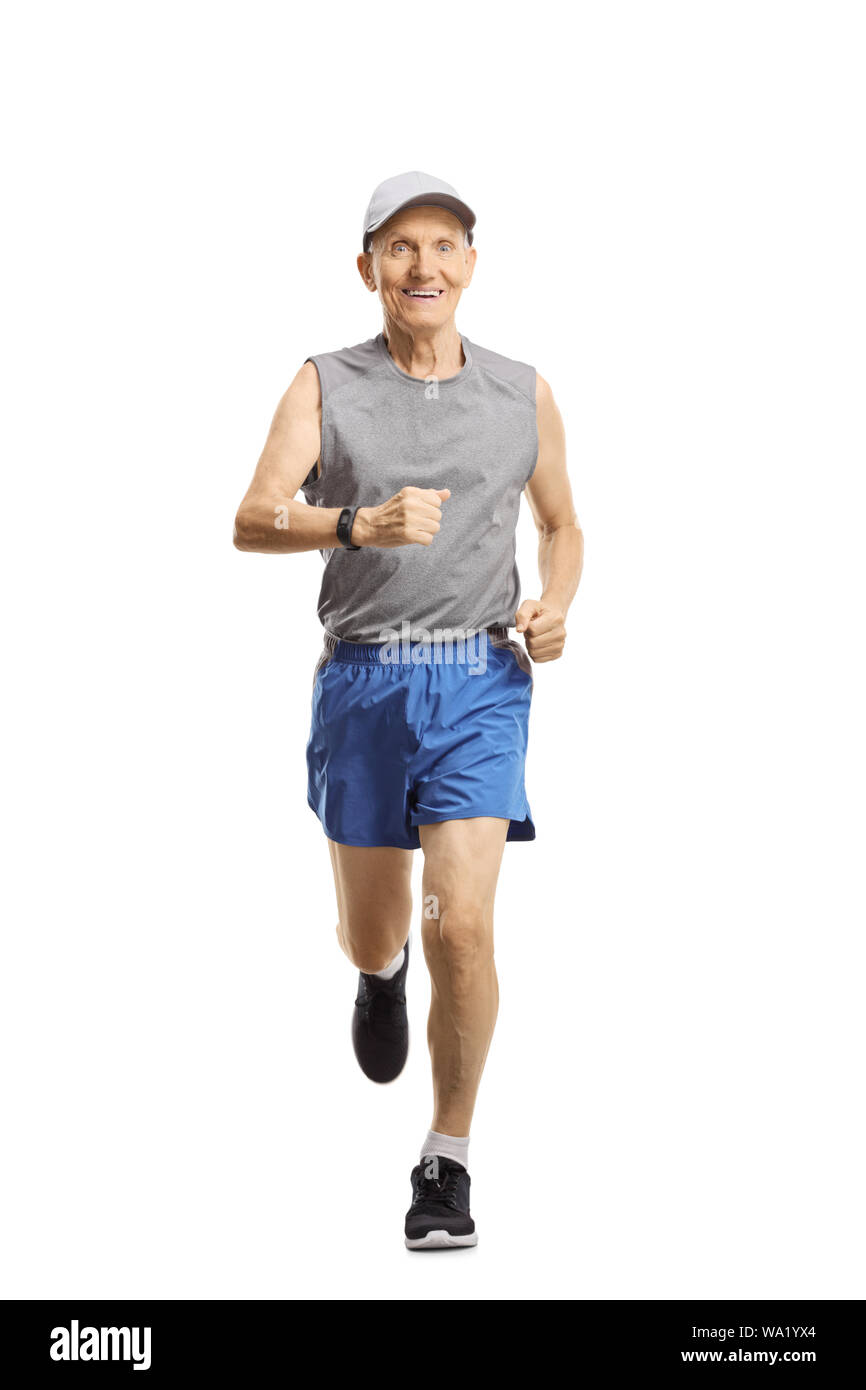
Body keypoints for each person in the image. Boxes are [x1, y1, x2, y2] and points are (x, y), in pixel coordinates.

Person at [234, 171, 584, 1249]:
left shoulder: (520, 389)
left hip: (480, 680)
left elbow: (563, 523)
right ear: (367, 269)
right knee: (380, 927)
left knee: (465, 925)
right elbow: (252, 518)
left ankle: (446, 1158)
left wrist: (555, 604)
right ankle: (377, 972)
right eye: (398, 248)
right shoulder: (323, 383)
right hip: (364, 679)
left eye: (442, 245)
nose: (422, 266)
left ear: (470, 265)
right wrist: (353, 527)